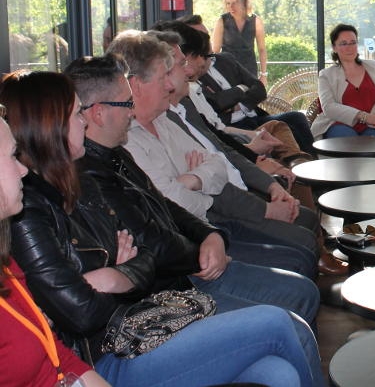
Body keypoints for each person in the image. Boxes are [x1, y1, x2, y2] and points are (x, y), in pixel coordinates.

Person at [2, 71, 314, 387]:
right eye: (74, 114)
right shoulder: (30, 214)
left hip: (142, 319)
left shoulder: (78, 182)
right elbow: (83, 314)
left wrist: (120, 273)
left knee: (278, 373)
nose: (83, 121)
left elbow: (146, 251)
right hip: (112, 351)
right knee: (278, 323)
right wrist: (124, 273)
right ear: (48, 128)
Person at [107, 30, 329, 277]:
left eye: (179, 65)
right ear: (137, 84)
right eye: (174, 68)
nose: (188, 72)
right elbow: (179, 201)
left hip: (216, 213)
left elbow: (218, 159)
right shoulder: (134, 133)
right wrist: (209, 183)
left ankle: (301, 173)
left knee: (288, 126)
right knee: (300, 254)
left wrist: (194, 179)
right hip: (209, 224)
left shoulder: (170, 115)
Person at [0, 107, 112, 387]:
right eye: (13, 156)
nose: (23, 169)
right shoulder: (32, 212)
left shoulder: (6, 263)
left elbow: (55, 354)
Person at [188, 16, 314, 153]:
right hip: (232, 125)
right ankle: (293, 165)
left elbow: (259, 88)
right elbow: (217, 103)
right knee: (277, 135)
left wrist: (240, 104)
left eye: (206, 34)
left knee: (296, 118)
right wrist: (241, 88)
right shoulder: (193, 71)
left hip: (254, 116)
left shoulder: (225, 59)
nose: (206, 39)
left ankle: (311, 163)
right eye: (200, 36)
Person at [311, 23, 375, 139]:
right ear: (334, 47)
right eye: (343, 43)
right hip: (337, 124)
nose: (349, 47)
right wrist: (364, 116)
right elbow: (328, 107)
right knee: (348, 140)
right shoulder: (326, 75)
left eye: (353, 42)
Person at [212, 0, 268, 83]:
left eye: (234, 3)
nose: (231, 7)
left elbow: (262, 49)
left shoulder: (256, 21)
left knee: (251, 97)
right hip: (227, 71)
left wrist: (263, 75)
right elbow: (215, 51)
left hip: (249, 71)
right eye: (228, 3)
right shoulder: (222, 21)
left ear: (244, 2)